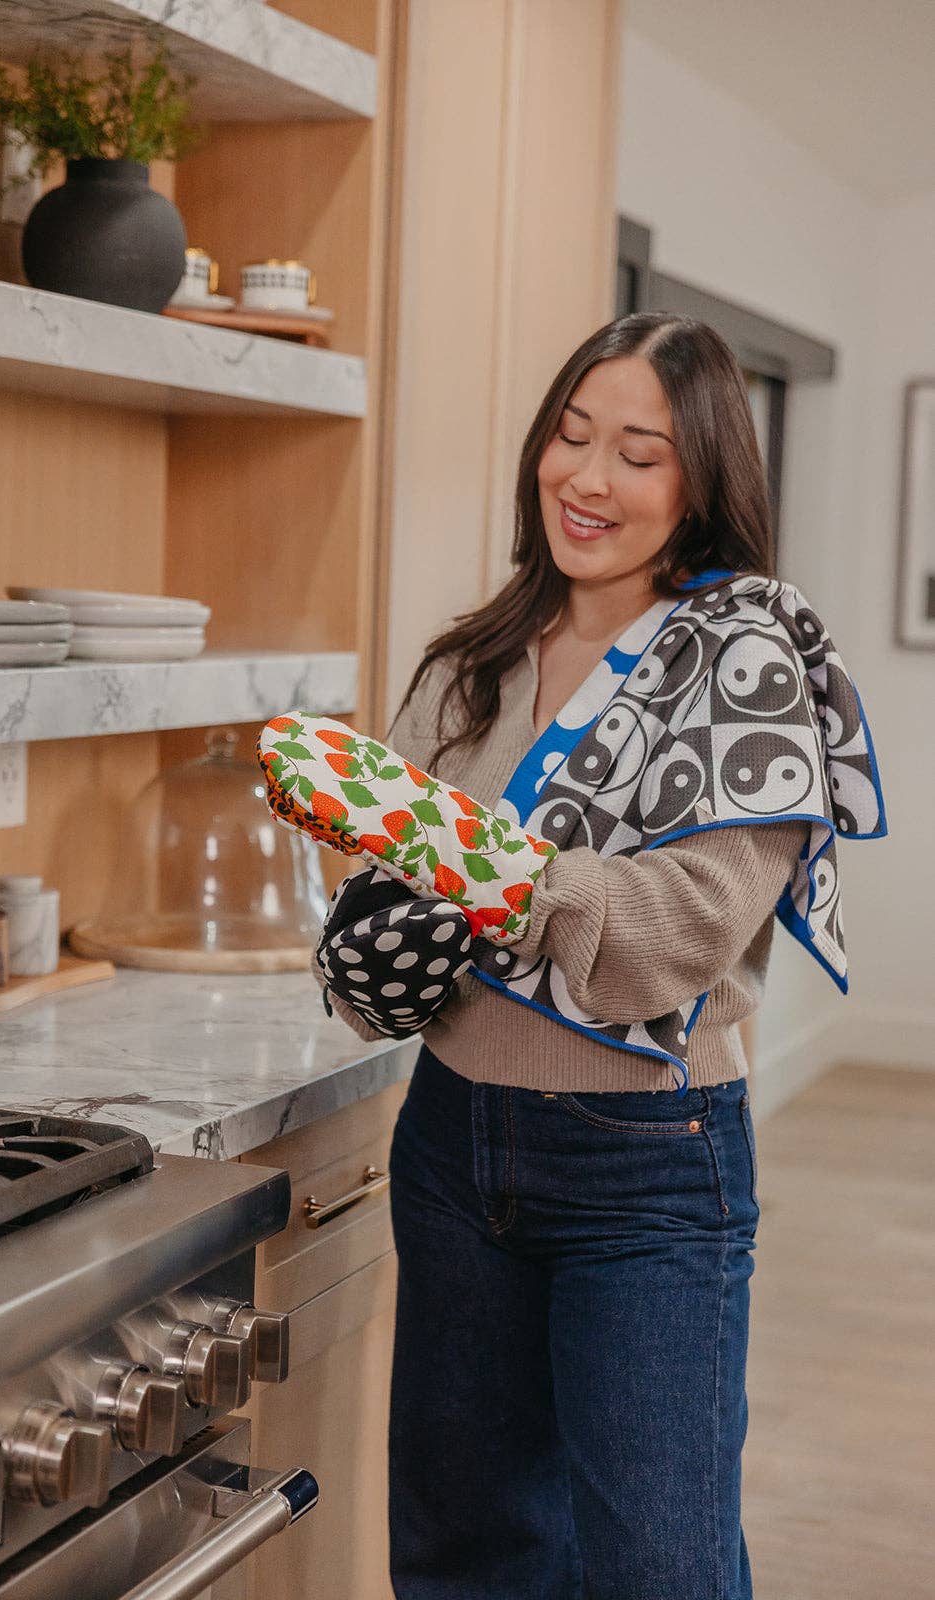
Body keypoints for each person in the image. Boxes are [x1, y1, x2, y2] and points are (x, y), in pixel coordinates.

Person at [310, 311, 886, 1599]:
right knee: (466, 1551)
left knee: (658, 1568)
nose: (589, 478)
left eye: (639, 452)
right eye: (572, 437)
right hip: (454, 1142)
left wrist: (480, 873)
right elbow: (386, 902)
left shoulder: (745, 670)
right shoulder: (470, 666)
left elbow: (663, 944)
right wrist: (367, 948)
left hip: (648, 1171)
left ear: (701, 484)